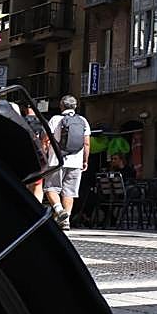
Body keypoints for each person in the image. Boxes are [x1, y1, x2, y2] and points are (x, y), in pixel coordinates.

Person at [44, 95, 90, 233]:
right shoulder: (83, 121)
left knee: (51, 188)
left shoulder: (55, 119)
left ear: (61, 106)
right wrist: (85, 160)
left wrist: (44, 156)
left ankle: (59, 210)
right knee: (69, 192)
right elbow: (86, 144)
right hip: (75, 162)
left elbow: (46, 140)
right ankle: (66, 220)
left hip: (56, 160)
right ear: (75, 106)